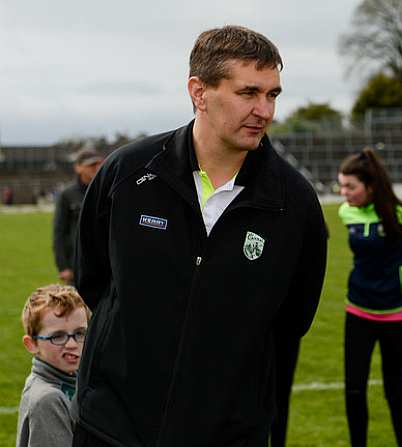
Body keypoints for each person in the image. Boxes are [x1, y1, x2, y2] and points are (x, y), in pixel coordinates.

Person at [73, 25, 328, 447]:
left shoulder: (293, 202)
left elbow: (292, 319)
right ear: (199, 91)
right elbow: (93, 279)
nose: (264, 111)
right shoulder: (128, 173)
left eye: (273, 95)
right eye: (248, 93)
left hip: (228, 432)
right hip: (112, 426)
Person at [337, 148, 402, 447]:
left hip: (397, 313)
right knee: (353, 390)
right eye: (341, 186)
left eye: (350, 187)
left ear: (370, 186)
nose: (344, 193)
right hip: (357, 311)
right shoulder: (346, 213)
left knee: (395, 391)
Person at [17, 284, 91, 447]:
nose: (72, 344)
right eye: (57, 336)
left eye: (80, 333)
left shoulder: (69, 379)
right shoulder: (48, 399)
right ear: (32, 344)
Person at [52, 148, 104, 285]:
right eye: (91, 165)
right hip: (77, 264)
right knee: (79, 305)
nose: (97, 168)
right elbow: (59, 232)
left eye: (99, 164)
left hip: (104, 263)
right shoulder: (67, 195)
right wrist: (63, 266)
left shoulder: (106, 190)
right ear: (78, 168)